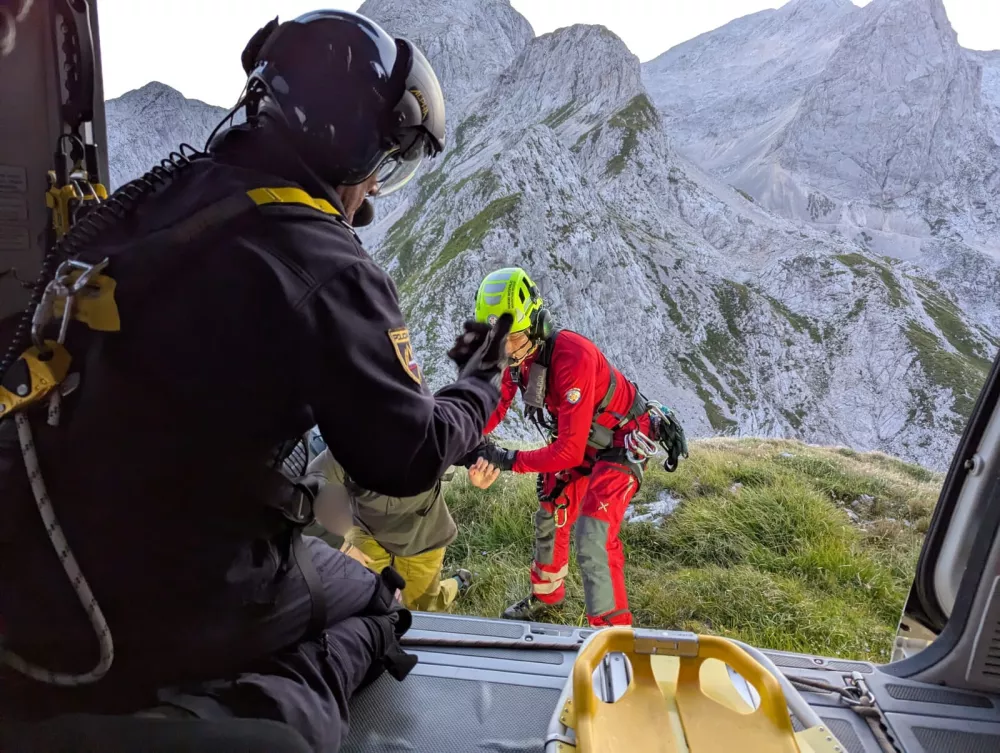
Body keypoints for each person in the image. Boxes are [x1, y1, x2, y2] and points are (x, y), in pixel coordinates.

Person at [0, 10, 512, 753]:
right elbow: (404, 455)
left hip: (43, 563)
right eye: (381, 167)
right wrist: (482, 382)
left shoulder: (155, 200)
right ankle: (241, 724)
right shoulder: (322, 258)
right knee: (373, 599)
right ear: (354, 145)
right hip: (159, 591)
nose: (369, 193)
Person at [466, 267, 688, 628]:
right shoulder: (520, 358)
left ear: (537, 325)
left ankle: (614, 637)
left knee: (593, 535)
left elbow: (567, 452)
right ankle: (547, 598)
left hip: (622, 439)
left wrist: (507, 460)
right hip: (587, 436)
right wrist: (460, 435)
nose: (504, 349)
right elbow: (497, 404)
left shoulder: (573, 357)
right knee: (552, 506)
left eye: (513, 337)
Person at [302, 443, 473, 612]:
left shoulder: (431, 432)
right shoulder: (346, 445)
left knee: (423, 606)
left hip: (422, 535)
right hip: (365, 530)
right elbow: (298, 500)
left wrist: (481, 467)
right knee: (365, 598)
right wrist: (342, 546)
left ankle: (457, 582)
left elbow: (471, 440)